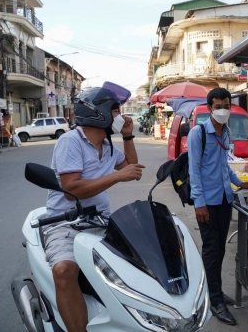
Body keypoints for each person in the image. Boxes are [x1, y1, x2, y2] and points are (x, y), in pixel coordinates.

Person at [43, 82, 145, 332]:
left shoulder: (108, 145)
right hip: (64, 222)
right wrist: (116, 177)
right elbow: (71, 190)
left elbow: (133, 168)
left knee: (140, 262)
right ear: (97, 112)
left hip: (100, 220)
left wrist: (128, 135)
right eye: (115, 111)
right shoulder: (70, 142)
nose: (119, 116)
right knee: (64, 269)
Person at [188, 87, 248, 326]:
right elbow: (195, 172)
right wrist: (199, 204)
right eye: (217, 107)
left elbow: (224, 165)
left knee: (220, 249)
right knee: (211, 249)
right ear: (210, 108)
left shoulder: (226, 131)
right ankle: (215, 301)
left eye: (226, 106)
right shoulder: (198, 133)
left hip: (224, 199)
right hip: (206, 202)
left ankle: (214, 291)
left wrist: (240, 183)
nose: (222, 110)